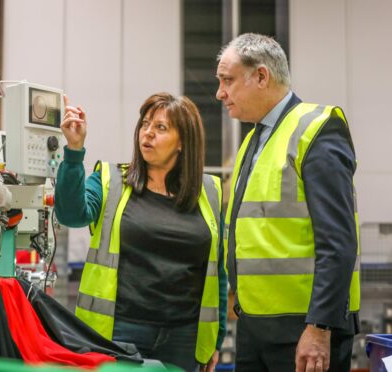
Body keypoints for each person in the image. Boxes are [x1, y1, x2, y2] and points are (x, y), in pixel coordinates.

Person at [216, 33, 360, 372]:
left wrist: (319, 327)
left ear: (262, 76)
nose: (220, 93)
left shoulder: (317, 128)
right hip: (254, 325)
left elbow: (338, 241)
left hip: (304, 329)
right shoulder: (253, 139)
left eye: (227, 80)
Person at [55, 92, 228, 372]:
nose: (147, 133)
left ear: (183, 142)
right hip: (119, 331)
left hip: (185, 337)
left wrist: (216, 341)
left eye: (161, 128)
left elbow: (217, 271)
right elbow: (71, 215)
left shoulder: (209, 192)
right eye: (145, 124)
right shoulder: (111, 180)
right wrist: (74, 152)